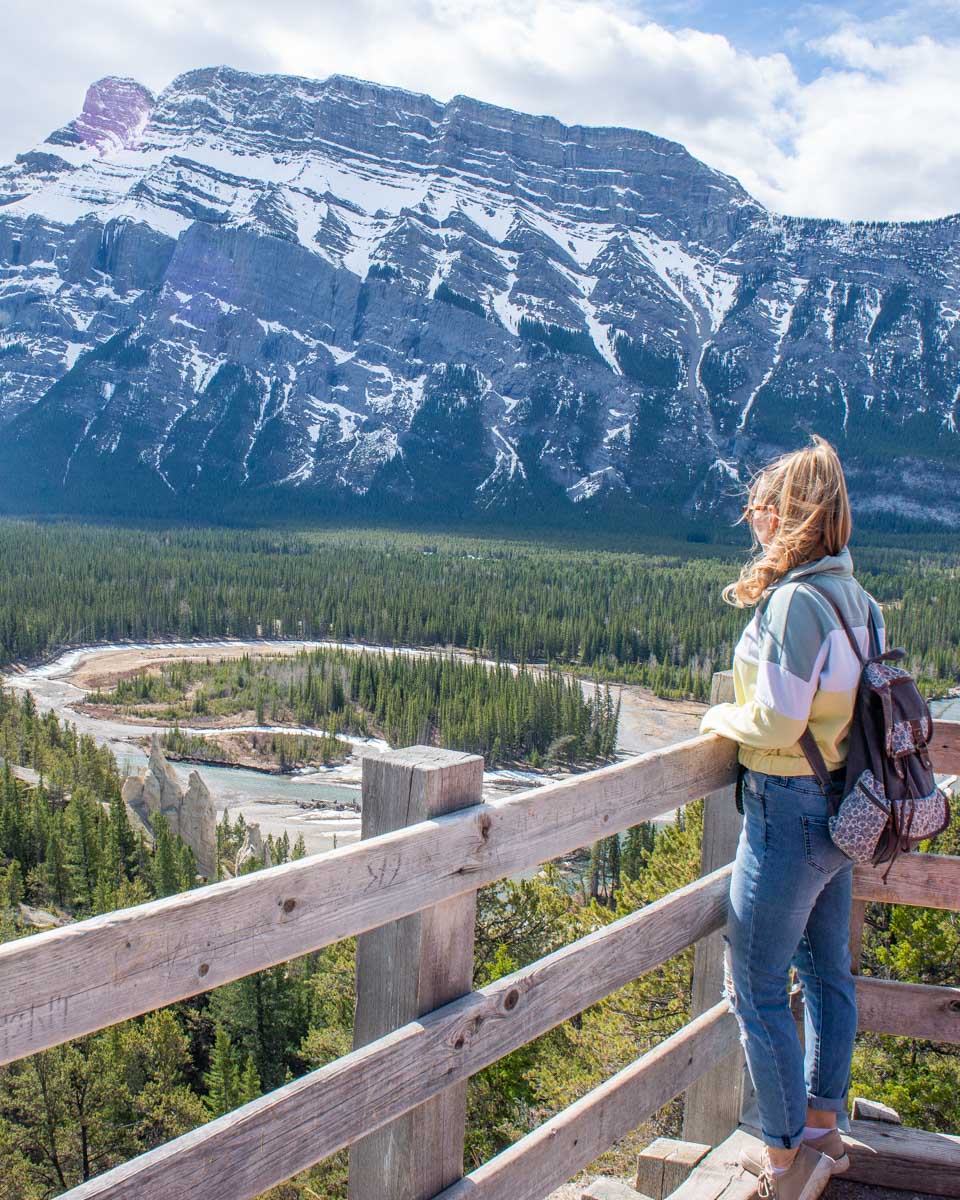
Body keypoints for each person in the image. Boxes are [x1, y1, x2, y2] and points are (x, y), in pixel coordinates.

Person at [700, 436, 883, 1200]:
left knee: (755, 982)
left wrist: (718, 715)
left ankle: (779, 1158)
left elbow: (775, 721)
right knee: (827, 973)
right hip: (841, 808)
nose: (756, 522)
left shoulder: (795, 601)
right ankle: (819, 1127)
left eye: (763, 510)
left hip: (786, 810)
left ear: (793, 516)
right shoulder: (859, 600)